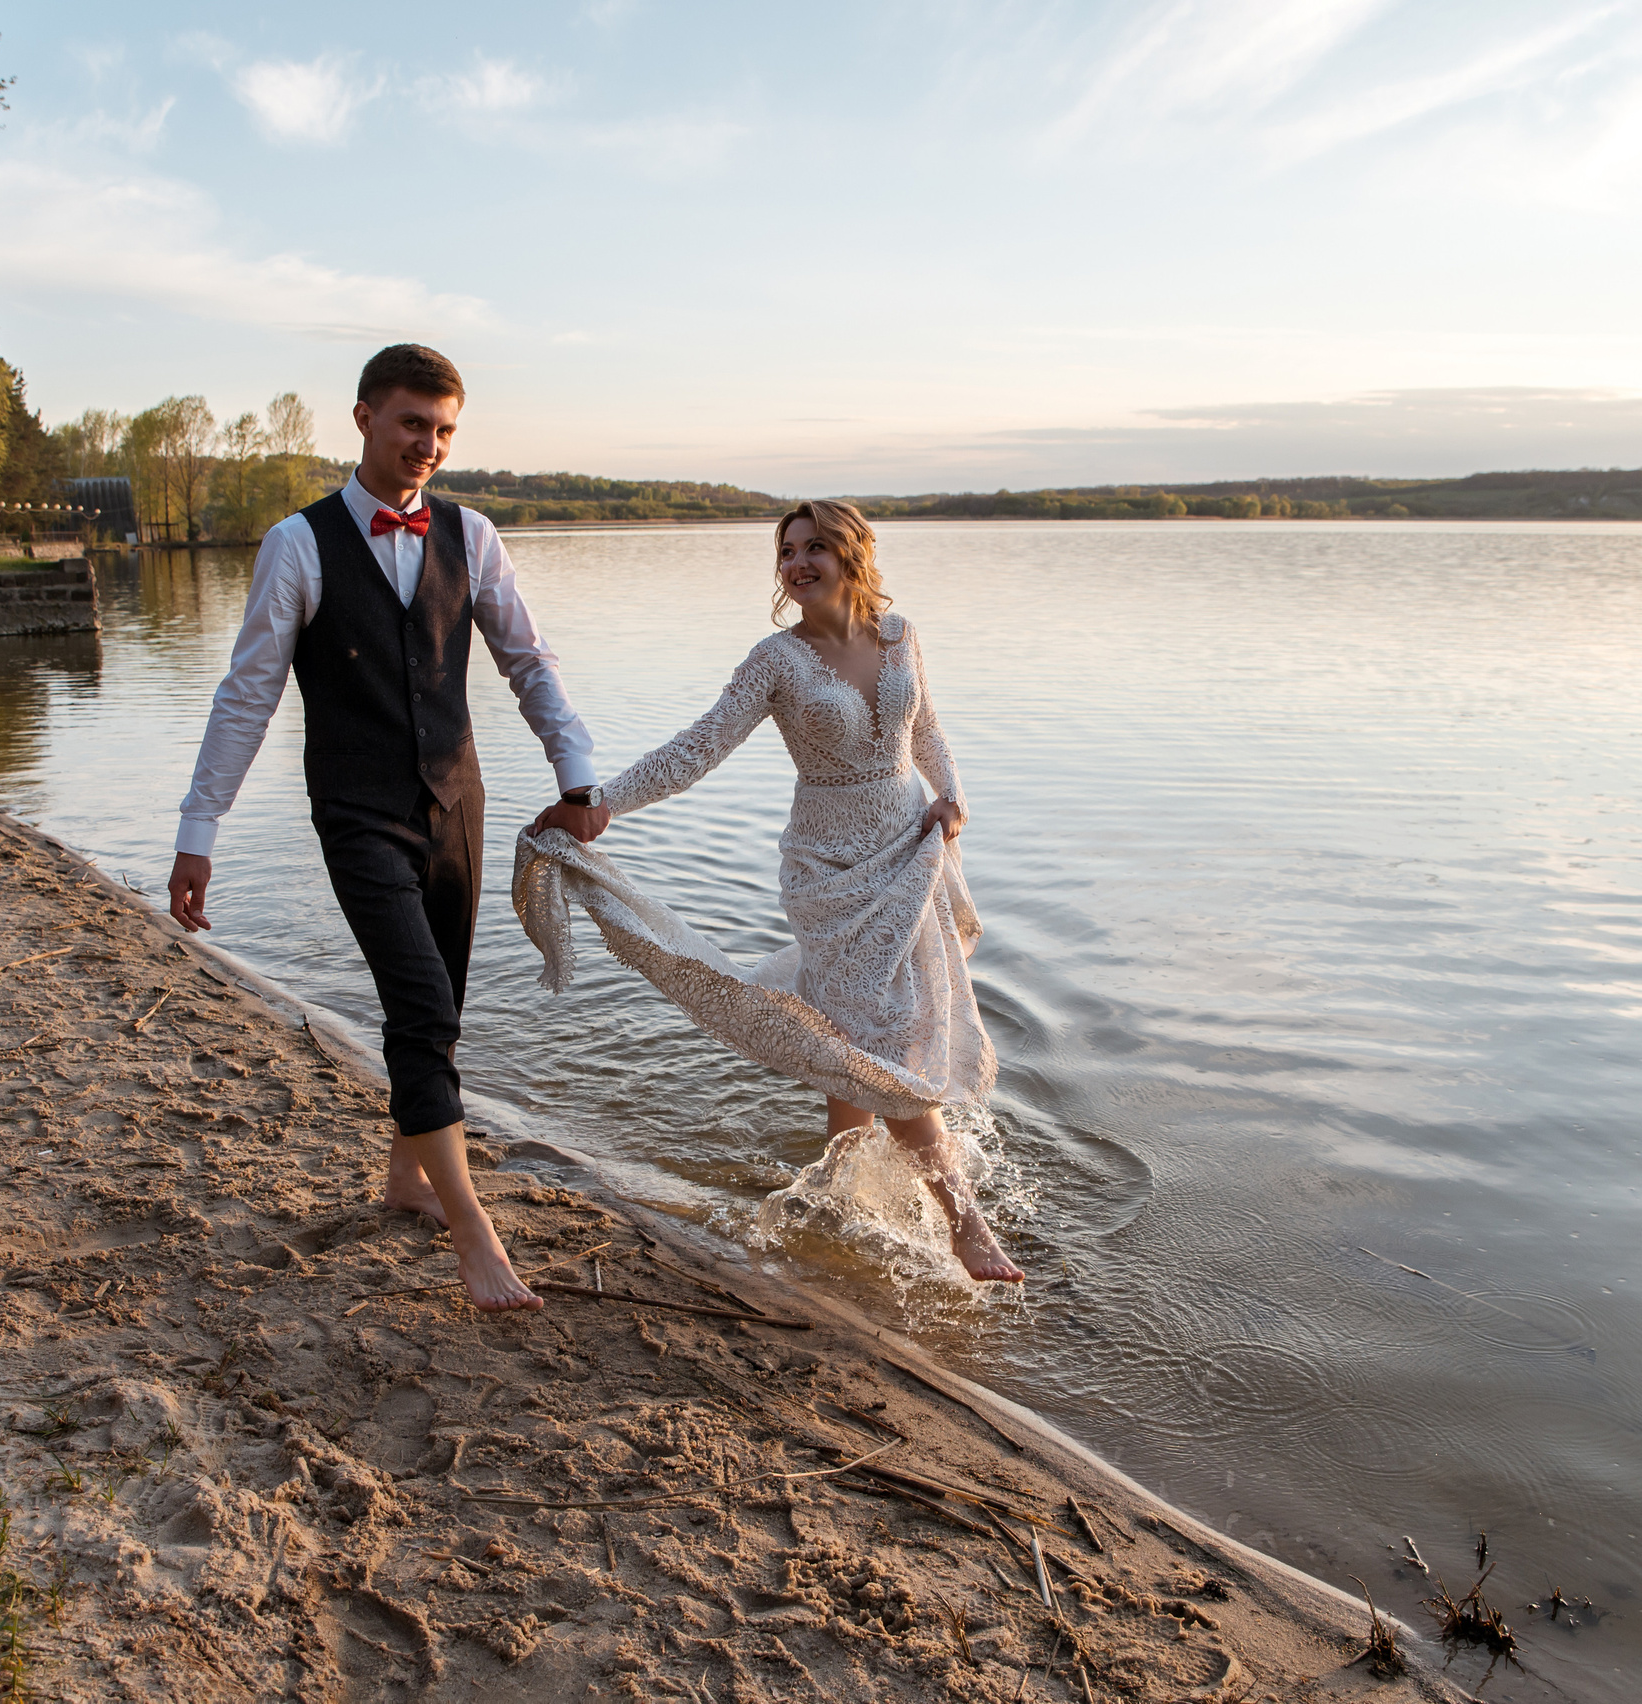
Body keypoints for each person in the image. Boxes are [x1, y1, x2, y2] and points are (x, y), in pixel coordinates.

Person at [169, 343, 609, 1312]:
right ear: (364, 416)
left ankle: (406, 1177)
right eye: (413, 423)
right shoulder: (297, 543)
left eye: (445, 430)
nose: (428, 445)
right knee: (419, 1004)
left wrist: (575, 775)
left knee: (440, 1006)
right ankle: (471, 1231)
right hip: (357, 808)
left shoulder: (473, 535)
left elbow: (528, 661)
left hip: (456, 801)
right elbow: (246, 695)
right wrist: (199, 827)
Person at [514, 501, 1022, 1284]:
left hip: (909, 854)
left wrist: (952, 794)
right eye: (787, 551)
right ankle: (966, 1224)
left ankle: (837, 1198)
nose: (798, 563)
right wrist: (600, 803)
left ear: (852, 553)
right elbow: (700, 746)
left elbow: (927, 731)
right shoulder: (775, 661)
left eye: (816, 547)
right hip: (828, 872)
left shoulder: (900, 635)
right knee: (882, 1040)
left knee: (855, 1037)